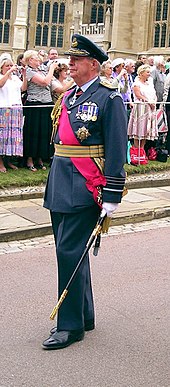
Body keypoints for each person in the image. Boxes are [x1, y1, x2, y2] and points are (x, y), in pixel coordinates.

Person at [42, 34, 127, 350]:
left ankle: (70, 326)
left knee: (68, 252)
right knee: (70, 251)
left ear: (93, 64)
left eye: (76, 60)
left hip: (85, 186)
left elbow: (117, 149)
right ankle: (85, 314)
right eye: (70, 59)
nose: (71, 63)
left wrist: (113, 194)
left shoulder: (110, 99)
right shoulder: (68, 97)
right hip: (61, 182)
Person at [23, 50, 59, 171]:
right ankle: (29, 159)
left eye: (38, 58)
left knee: (44, 131)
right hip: (34, 104)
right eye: (35, 58)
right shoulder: (29, 71)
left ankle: (40, 157)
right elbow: (44, 82)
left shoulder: (43, 69)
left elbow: (52, 81)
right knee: (33, 132)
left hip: (46, 102)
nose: (38, 60)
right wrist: (52, 69)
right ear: (29, 60)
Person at [0, 53, 27, 172]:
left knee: (12, 136)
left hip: (16, 108)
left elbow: (23, 89)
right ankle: (0, 162)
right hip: (4, 108)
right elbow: (1, 84)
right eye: (7, 65)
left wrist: (25, 76)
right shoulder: (1, 76)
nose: (10, 67)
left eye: (11, 65)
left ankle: (9, 160)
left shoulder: (15, 78)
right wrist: (8, 72)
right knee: (2, 137)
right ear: (2, 67)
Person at [128, 64, 158, 149]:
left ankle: (141, 150)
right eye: (147, 72)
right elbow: (138, 95)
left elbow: (154, 94)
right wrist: (149, 102)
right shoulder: (136, 84)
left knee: (146, 130)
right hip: (141, 108)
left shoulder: (150, 83)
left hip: (150, 109)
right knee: (139, 130)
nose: (149, 74)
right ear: (141, 73)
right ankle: (136, 150)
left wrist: (154, 102)